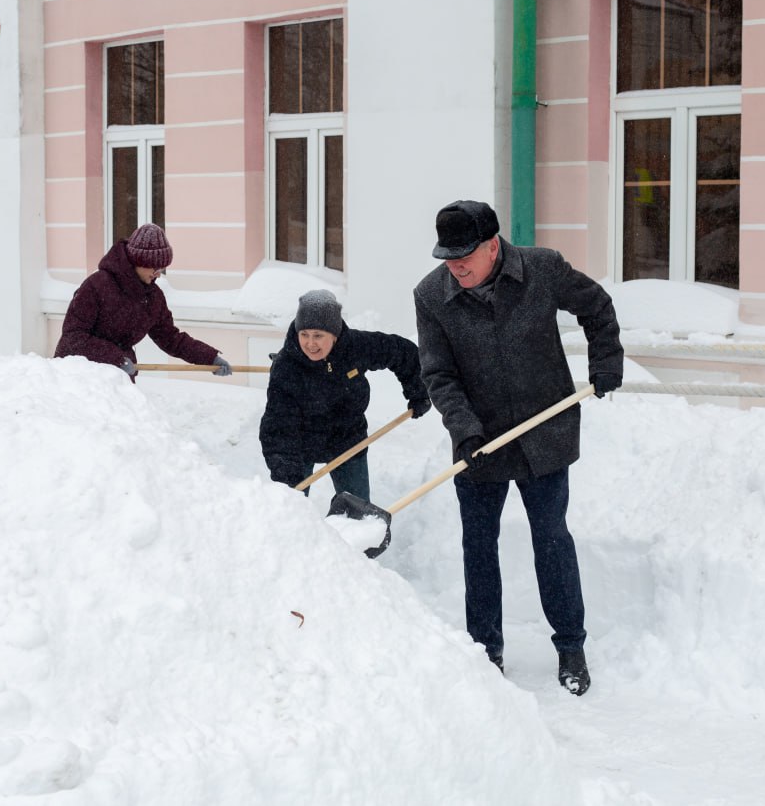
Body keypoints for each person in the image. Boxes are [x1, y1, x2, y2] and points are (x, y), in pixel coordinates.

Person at [413, 200, 623, 694]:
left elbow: (597, 306)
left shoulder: (543, 270)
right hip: (479, 440)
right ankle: (486, 652)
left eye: (464, 255)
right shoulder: (431, 296)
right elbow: (438, 373)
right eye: (447, 257)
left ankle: (571, 645)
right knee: (479, 547)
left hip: (544, 433)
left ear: (493, 246)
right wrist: (464, 429)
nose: (454, 266)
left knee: (551, 538)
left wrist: (606, 362)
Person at [260, 289, 431, 502]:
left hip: (347, 439)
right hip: (300, 443)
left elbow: (402, 352)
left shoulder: (355, 347)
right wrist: (287, 475)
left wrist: (418, 392)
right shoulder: (287, 366)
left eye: (318, 336)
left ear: (335, 333)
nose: (310, 344)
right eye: (304, 334)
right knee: (289, 510)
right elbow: (278, 427)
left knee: (358, 513)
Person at [54, 224, 232, 379]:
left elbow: (171, 339)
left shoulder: (153, 297)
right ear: (136, 261)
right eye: (154, 268)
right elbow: (73, 338)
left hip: (117, 379)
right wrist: (115, 358)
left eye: (161, 268)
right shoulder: (97, 286)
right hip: (75, 378)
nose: (158, 274)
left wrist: (210, 358)